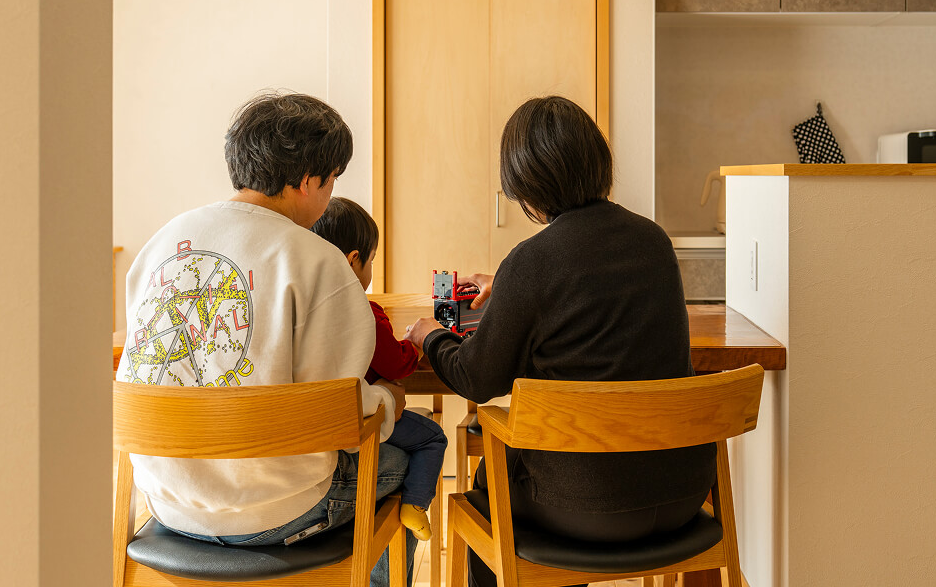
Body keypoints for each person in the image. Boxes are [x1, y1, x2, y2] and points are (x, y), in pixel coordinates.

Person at [404, 95, 716, 587]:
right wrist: (509, 287)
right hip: (683, 495)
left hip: (583, 509)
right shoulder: (654, 241)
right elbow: (592, 291)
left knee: (489, 486)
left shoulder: (532, 261)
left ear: (528, 184)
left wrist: (431, 335)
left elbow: (477, 379)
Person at [115, 92, 415, 586]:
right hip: (281, 511)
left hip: (166, 502)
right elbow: (341, 414)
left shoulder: (162, 242)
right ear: (308, 180)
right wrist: (387, 399)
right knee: (405, 459)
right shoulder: (318, 261)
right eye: (331, 179)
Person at [310, 196, 448, 541]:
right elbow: (396, 365)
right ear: (353, 260)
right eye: (371, 259)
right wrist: (415, 343)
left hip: (319, 430)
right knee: (433, 438)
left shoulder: (307, 310)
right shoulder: (364, 312)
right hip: (360, 422)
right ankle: (415, 505)